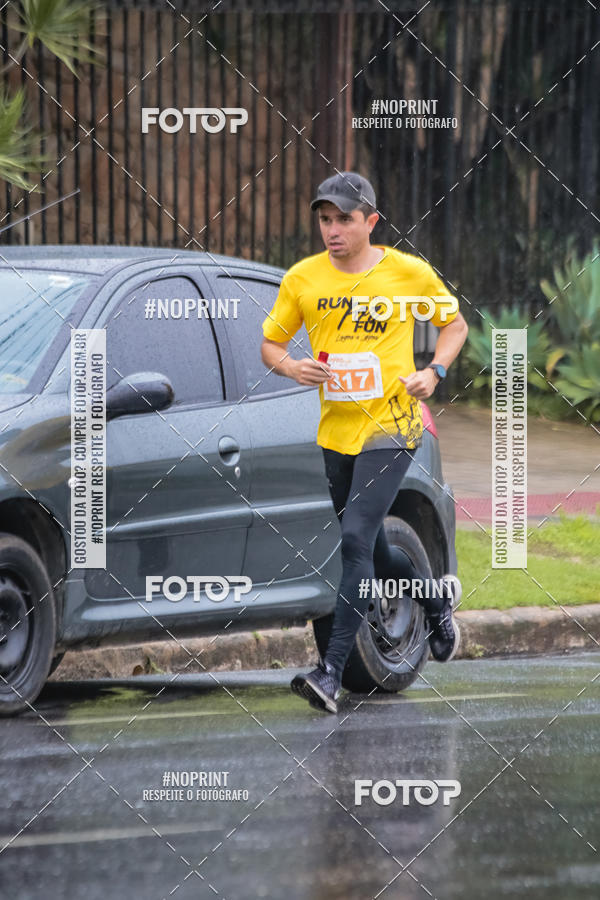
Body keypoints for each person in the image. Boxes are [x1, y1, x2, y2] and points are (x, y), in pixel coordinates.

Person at [260, 171, 469, 714]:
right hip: (337, 432)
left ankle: (329, 672)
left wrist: (435, 373)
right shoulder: (304, 279)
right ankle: (436, 604)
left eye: (344, 220)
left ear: (371, 222)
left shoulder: (407, 273)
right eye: (325, 220)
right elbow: (270, 344)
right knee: (374, 550)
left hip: (393, 426)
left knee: (354, 539)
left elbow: (455, 326)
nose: (332, 230)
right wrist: (292, 368)